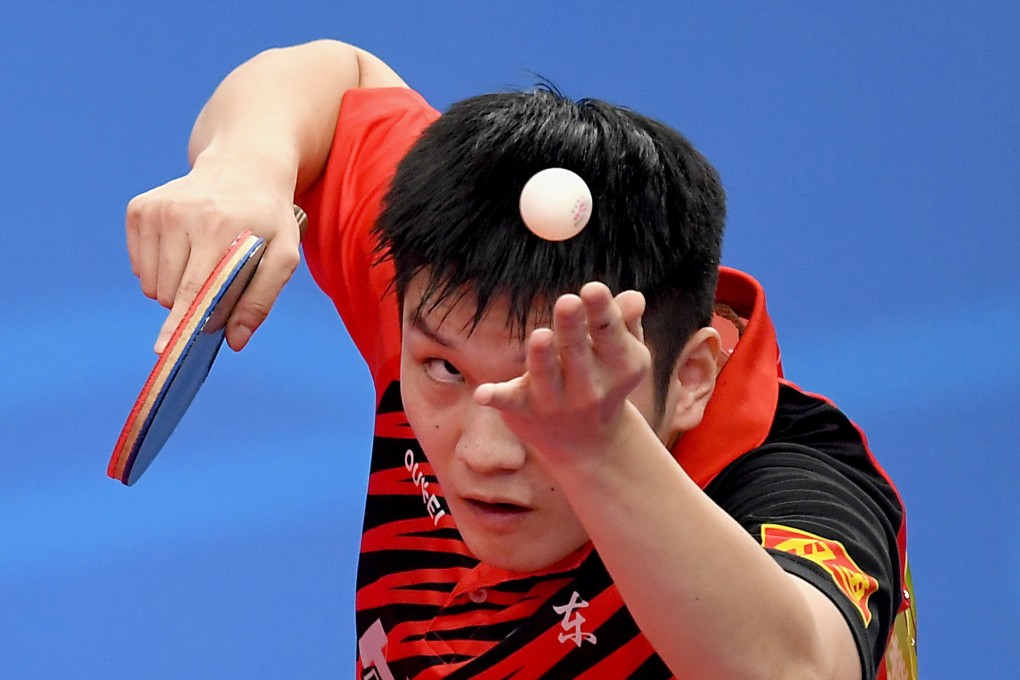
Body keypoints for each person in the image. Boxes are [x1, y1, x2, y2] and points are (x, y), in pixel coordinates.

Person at [126, 40, 914, 679]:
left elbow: (797, 671)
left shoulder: (788, 486)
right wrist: (246, 167)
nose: (483, 452)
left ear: (694, 376)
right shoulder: (450, 290)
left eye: (555, 384)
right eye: (443, 374)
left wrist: (599, 448)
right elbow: (337, 81)